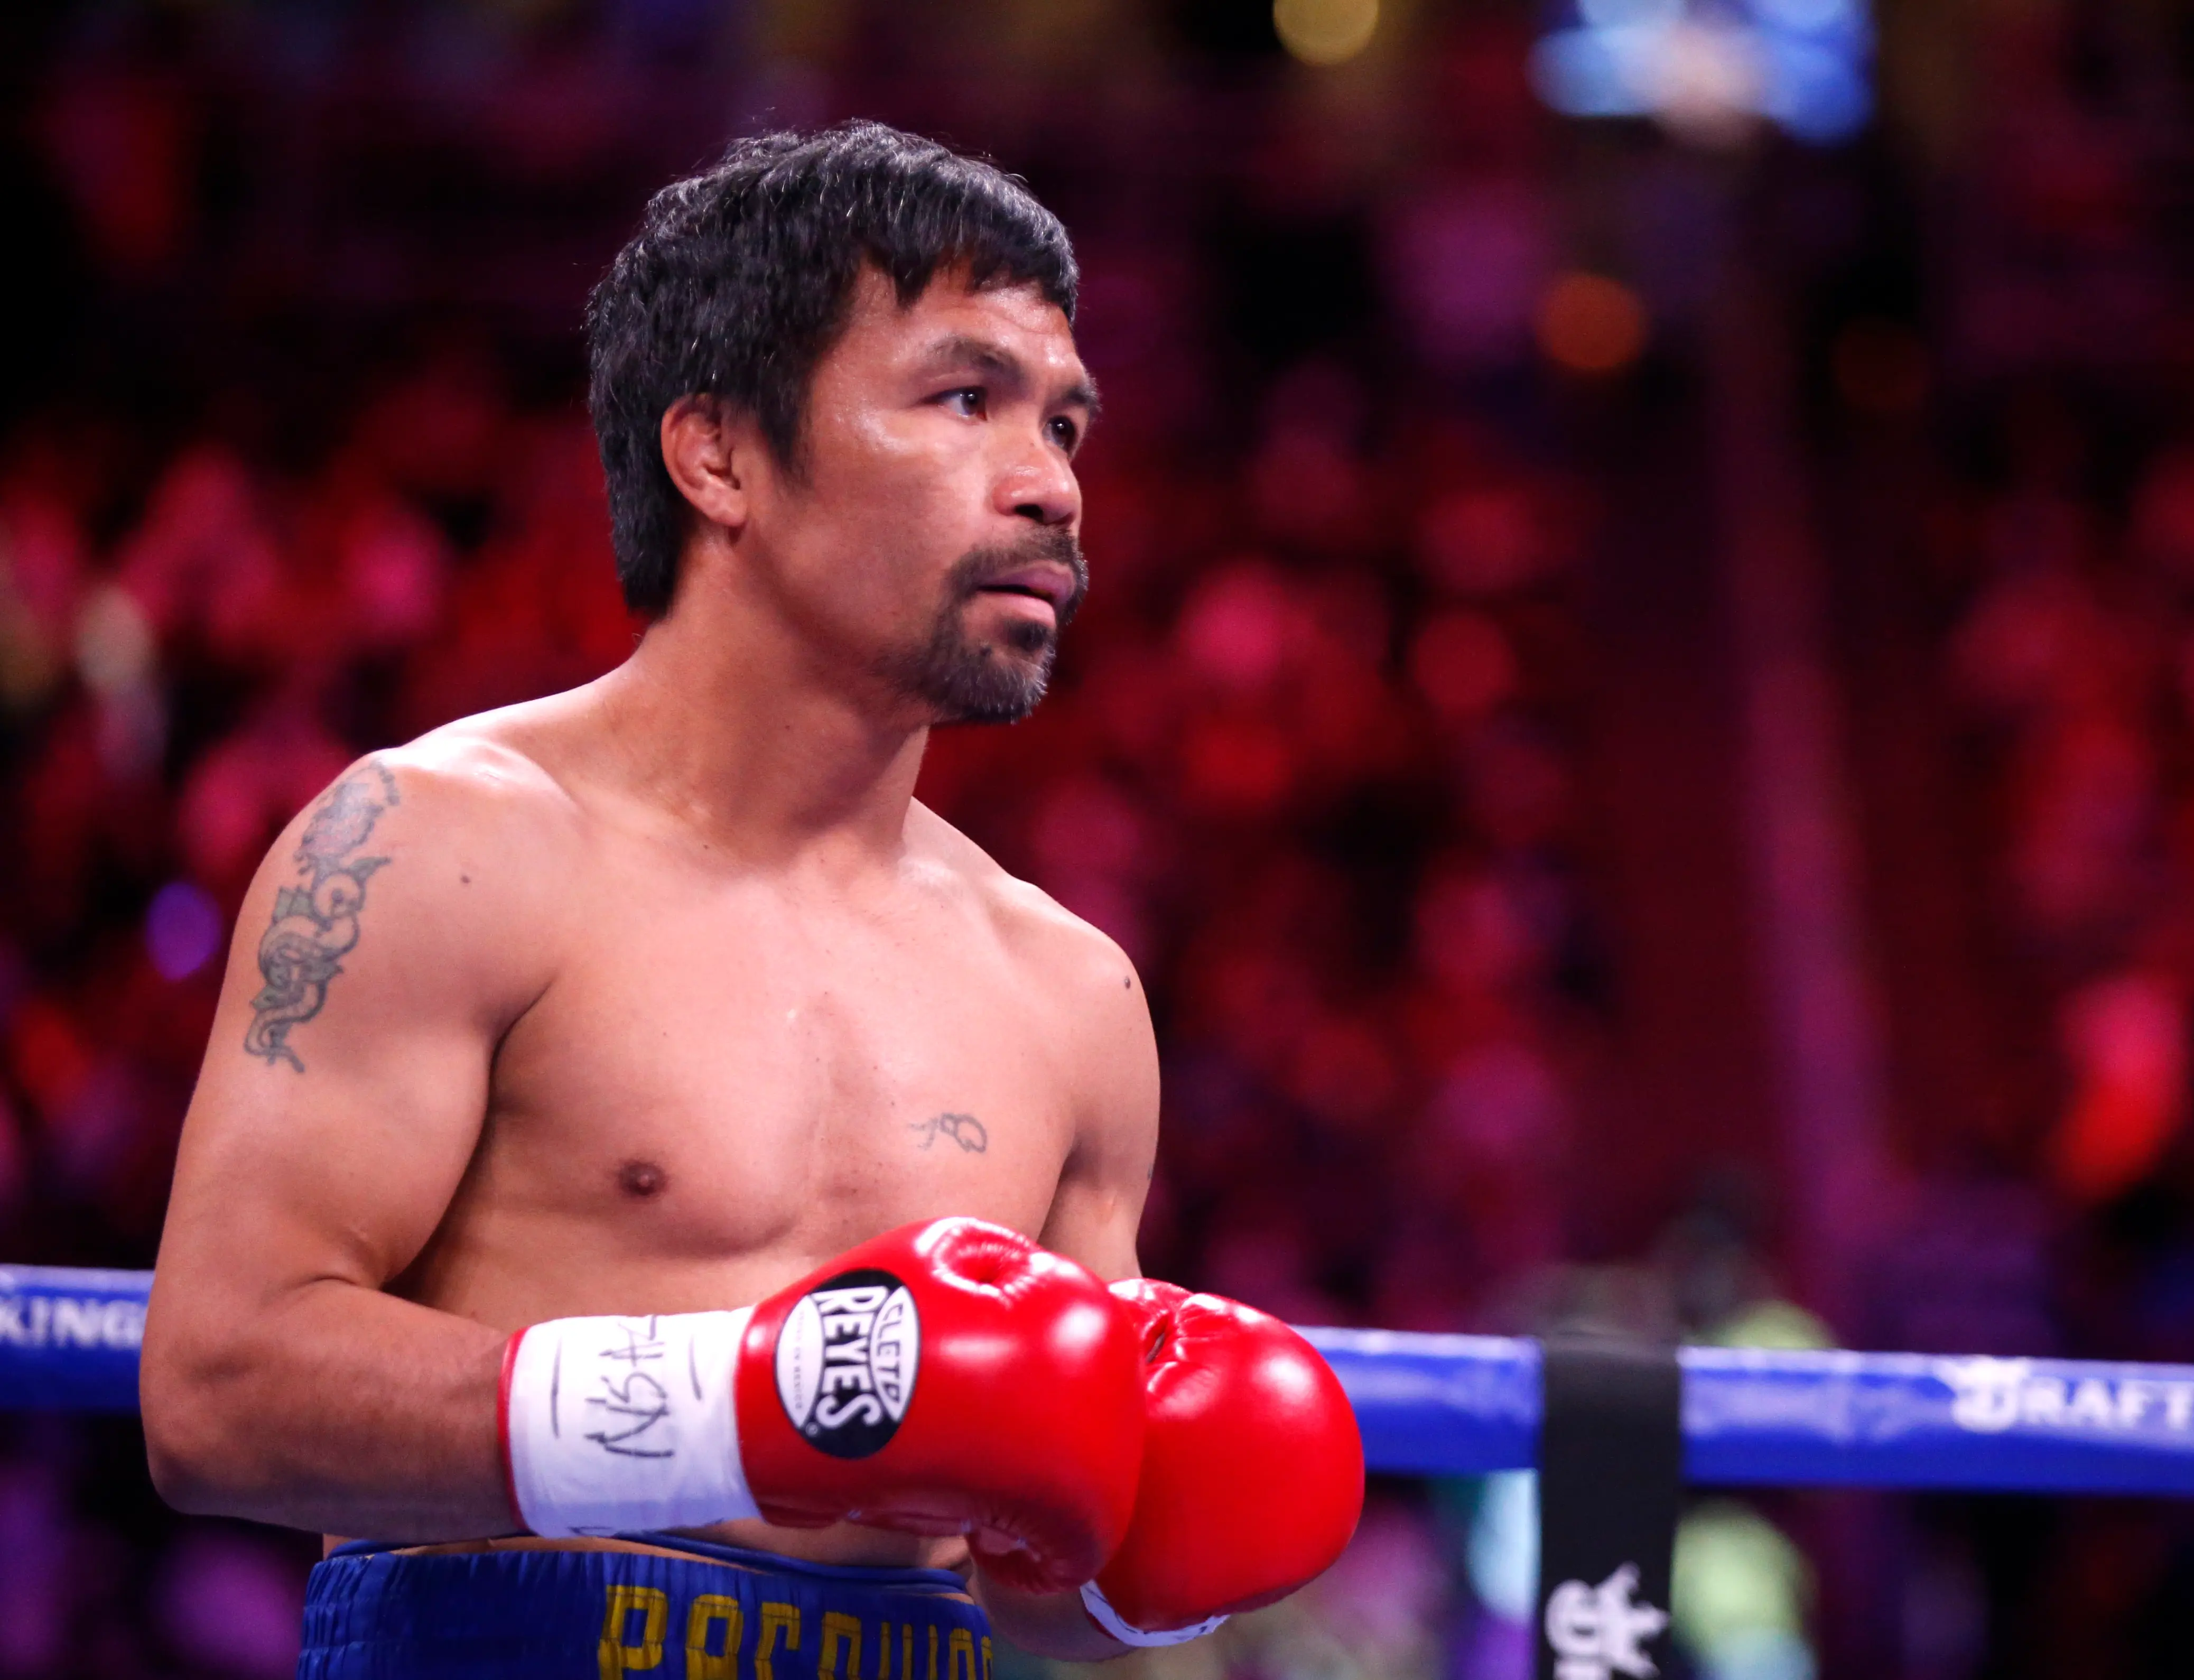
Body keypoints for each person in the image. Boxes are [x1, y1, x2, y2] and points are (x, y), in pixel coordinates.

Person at [136, 122, 1362, 1677]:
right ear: (717, 453)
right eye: (966, 398)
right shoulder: (441, 849)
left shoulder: (1072, 992)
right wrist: (751, 1415)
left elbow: (1028, 1548)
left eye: (1065, 424)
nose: (1051, 484)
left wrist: (1152, 1547)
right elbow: (221, 1391)